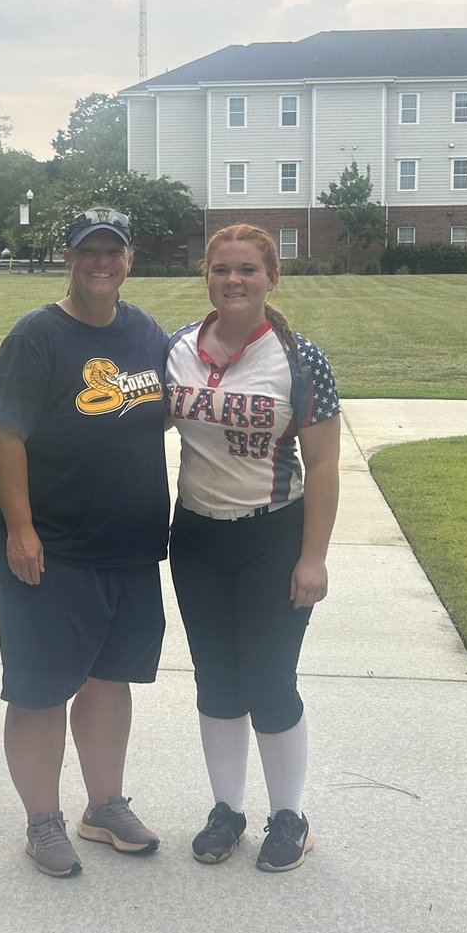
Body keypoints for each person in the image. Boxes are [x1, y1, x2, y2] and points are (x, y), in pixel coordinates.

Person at [0, 207, 170, 878]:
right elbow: (4, 433)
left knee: (110, 678)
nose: (101, 263)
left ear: (128, 259)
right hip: (52, 548)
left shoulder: (145, 331)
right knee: (39, 689)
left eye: (112, 252)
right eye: (88, 251)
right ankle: (43, 821)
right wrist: (22, 529)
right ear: (68, 257)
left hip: (129, 544)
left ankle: (104, 805)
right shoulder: (38, 336)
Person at [166, 224, 340, 872]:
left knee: (269, 683)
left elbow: (323, 464)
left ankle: (289, 816)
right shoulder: (176, 350)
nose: (233, 281)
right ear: (206, 275)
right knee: (216, 682)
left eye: (247, 270)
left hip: (273, 535)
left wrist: (313, 557)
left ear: (271, 278)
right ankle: (227, 811)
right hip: (198, 537)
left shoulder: (300, 359)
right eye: (221, 270)